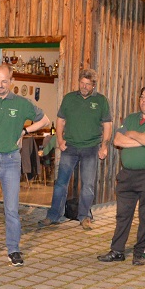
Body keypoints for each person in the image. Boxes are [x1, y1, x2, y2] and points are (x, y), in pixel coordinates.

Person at [0, 64, 49, 266]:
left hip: (11, 160)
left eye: (4, 81)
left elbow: (45, 120)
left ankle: (13, 250)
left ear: (11, 81)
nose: (0, 85)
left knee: (11, 209)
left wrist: (25, 131)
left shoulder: (22, 103)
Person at [97, 85, 145, 266]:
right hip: (128, 174)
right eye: (141, 97)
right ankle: (117, 250)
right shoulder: (131, 118)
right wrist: (143, 139)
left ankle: (140, 250)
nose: (143, 100)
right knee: (122, 214)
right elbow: (117, 140)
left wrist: (132, 135)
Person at [38, 69, 112, 230]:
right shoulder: (69, 98)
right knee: (61, 183)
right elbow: (60, 120)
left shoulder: (101, 101)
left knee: (87, 185)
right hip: (70, 147)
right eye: (82, 83)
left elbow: (107, 125)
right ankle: (53, 215)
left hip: (91, 148)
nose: (84, 86)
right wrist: (60, 140)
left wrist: (104, 146)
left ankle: (84, 216)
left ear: (93, 85)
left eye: (88, 84)